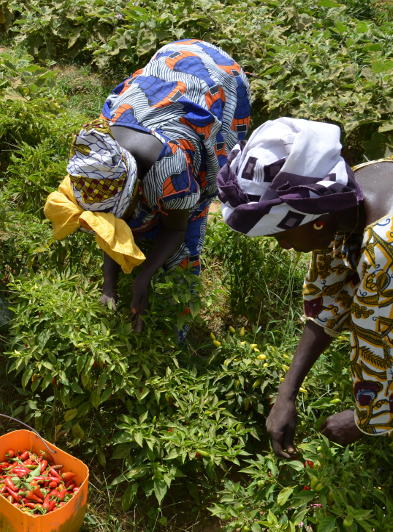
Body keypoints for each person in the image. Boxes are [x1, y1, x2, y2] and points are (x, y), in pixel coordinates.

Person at [216, 116, 393, 532]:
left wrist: (367, 420)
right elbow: (333, 295)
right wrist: (287, 392)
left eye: (280, 236)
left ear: (316, 224)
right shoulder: (352, 189)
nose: (282, 248)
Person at [44, 39, 251, 337]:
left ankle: (173, 331)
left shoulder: (172, 171)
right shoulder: (97, 146)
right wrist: (109, 287)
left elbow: (176, 229)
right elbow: (112, 221)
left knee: (184, 235)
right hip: (168, 71)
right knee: (142, 218)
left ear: (136, 187)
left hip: (220, 81)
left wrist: (144, 278)